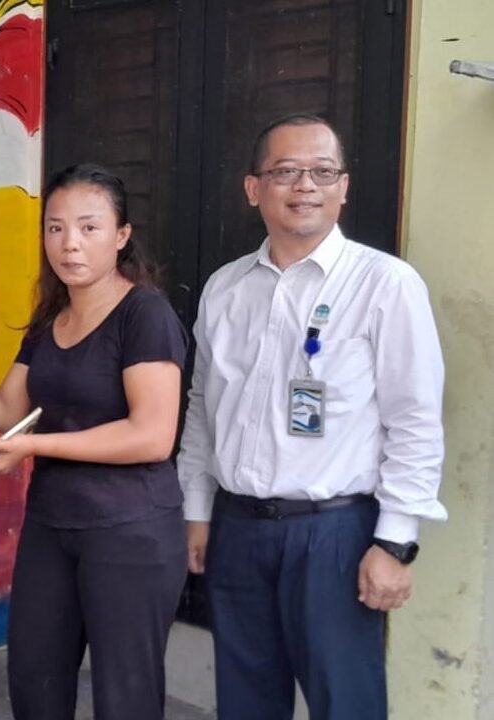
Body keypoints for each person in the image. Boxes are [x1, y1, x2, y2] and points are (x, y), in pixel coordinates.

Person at [176, 113, 447, 720]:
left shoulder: (386, 285)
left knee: (344, 702)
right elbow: (202, 405)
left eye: (323, 172)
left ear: (343, 187)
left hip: (334, 535)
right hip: (238, 528)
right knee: (245, 701)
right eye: (286, 172)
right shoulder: (225, 288)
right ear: (254, 188)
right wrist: (196, 509)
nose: (305, 186)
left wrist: (395, 541)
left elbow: (415, 422)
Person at [0, 164, 190, 719]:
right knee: (35, 683)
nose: (69, 243)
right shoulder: (51, 318)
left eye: (88, 227)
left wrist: (34, 447)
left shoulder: (144, 315)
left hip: (130, 531)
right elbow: (8, 410)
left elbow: (152, 436)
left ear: (122, 236)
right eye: (55, 228)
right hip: (52, 525)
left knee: (125, 699)